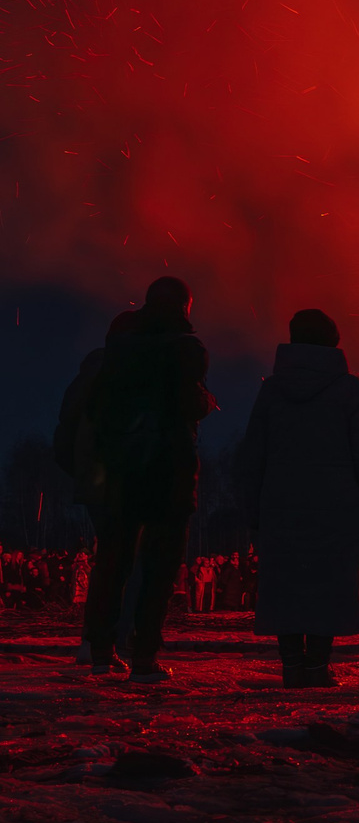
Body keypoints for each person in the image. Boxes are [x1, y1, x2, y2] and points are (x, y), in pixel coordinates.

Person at [236, 309, 359, 688]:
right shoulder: (348, 389)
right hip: (338, 505)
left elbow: (252, 454)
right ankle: (319, 666)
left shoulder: (271, 389)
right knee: (329, 582)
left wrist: (252, 510)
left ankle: (291, 666)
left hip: (279, 503)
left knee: (283, 583)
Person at [79, 277, 212, 682]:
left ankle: (101, 651)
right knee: (159, 567)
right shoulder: (186, 349)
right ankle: (143, 657)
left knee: (112, 561)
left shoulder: (117, 351)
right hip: (168, 470)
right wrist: (204, 401)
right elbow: (189, 403)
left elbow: (96, 406)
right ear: (184, 307)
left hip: (121, 470)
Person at [55, 309, 141, 665]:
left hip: (95, 481)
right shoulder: (136, 372)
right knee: (130, 564)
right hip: (128, 479)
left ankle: (95, 643)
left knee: (110, 559)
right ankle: (117, 643)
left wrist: (82, 472)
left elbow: (64, 433)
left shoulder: (87, 375)